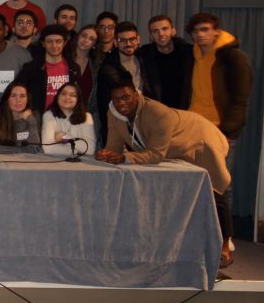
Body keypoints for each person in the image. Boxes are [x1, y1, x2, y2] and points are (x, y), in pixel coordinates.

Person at [96, 78, 233, 267]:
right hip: (172, 148)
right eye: (116, 99)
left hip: (199, 139)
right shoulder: (114, 112)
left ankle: (226, 245)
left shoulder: (157, 113)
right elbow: (114, 146)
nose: (121, 103)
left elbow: (155, 155)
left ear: (136, 95)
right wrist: (107, 154)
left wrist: (125, 158)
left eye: (126, 97)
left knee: (216, 190)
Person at [185, 12, 252, 142]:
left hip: (220, 128)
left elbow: (240, 98)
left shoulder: (234, 57)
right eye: (195, 31)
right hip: (192, 125)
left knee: (219, 163)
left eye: (205, 29)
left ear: (216, 31)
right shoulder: (191, 56)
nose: (200, 34)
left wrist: (228, 131)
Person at [96, 21, 147, 140]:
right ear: (115, 43)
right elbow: (106, 108)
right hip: (122, 130)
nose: (128, 44)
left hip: (145, 123)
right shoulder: (107, 70)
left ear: (138, 39)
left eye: (132, 39)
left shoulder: (145, 58)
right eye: (122, 40)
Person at [16, 24, 80, 114]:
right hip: (38, 119)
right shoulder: (31, 68)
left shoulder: (73, 68)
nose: (54, 45)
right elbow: (17, 91)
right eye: (49, 41)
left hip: (65, 119)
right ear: (43, 44)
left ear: (64, 43)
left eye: (58, 41)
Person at [138, 15, 193, 110]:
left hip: (186, 112)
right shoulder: (144, 55)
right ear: (151, 36)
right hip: (158, 112)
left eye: (165, 29)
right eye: (155, 31)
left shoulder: (188, 52)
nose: (161, 34)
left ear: (173, 31)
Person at [0, 81, 41, 154]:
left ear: (28, 99)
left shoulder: (34, 116)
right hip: (0, 160)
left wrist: (30, 121)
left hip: (25, 162)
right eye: (13, 96)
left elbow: (35, 149)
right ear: (7, 98)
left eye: (22, 96)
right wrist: (21, 151)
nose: (18, 100)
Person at [41, 82, 95, 156]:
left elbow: (90, 149)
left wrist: (64, 137)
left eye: (73, 95)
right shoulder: (48, 115)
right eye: (63, 94)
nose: (67, 97)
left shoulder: (87, 117)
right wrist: (77, 151)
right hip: (56, 162)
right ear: (57, 96)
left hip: (82, 163)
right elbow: (48, 148)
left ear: (78, 99)